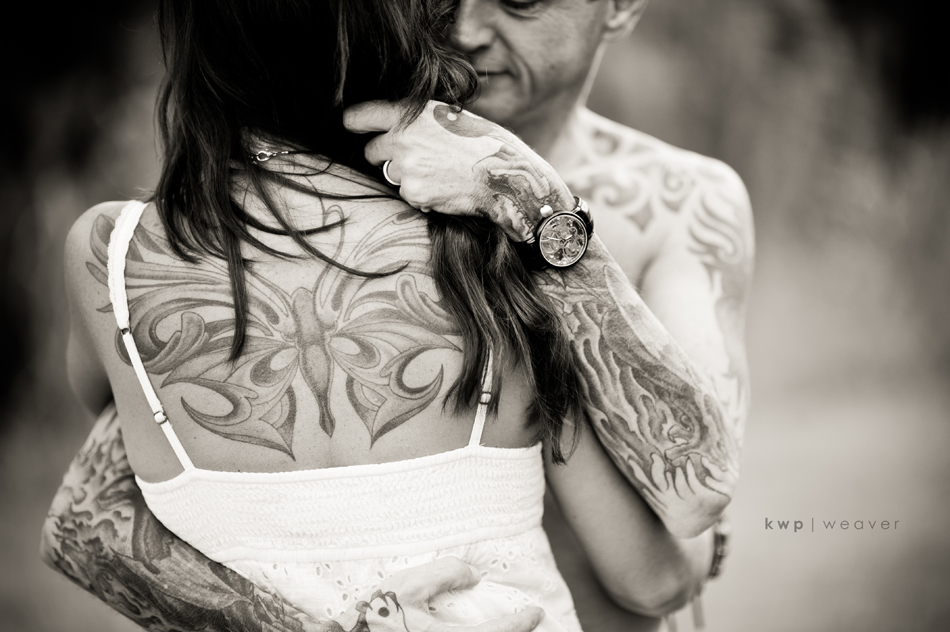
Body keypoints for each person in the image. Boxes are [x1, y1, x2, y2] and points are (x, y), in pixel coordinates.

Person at [42, 1, 751, 631]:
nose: (466, 27)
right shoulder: (475, 253)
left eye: (520, 1)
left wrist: (530, 203)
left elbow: (678, 552)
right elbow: (89, 516)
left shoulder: (672, 203)